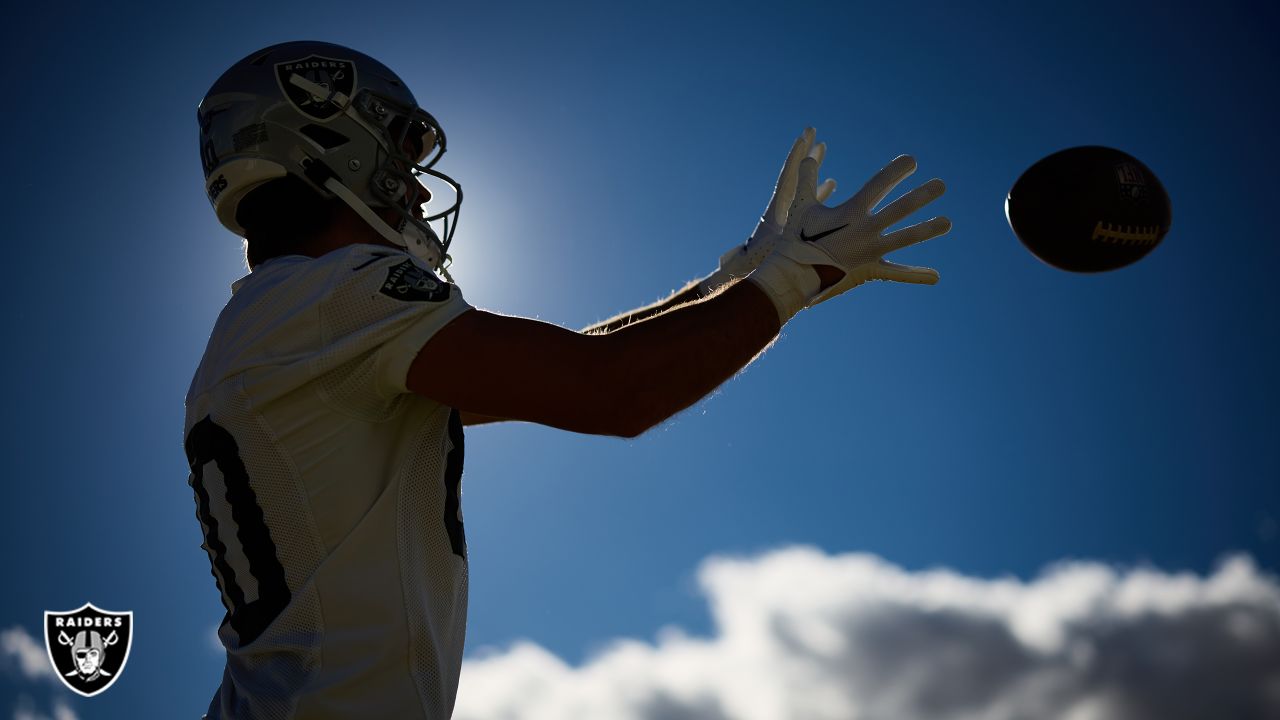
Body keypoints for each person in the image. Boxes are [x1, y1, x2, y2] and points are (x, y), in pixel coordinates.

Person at [186, 40, 950, 719]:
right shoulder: (335, 294)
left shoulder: (286, 321)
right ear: (332, 149)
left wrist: (739, 279)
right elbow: (611, 390)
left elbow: (571, 364)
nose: (417, 192)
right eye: (399, 160)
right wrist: (792, 281)